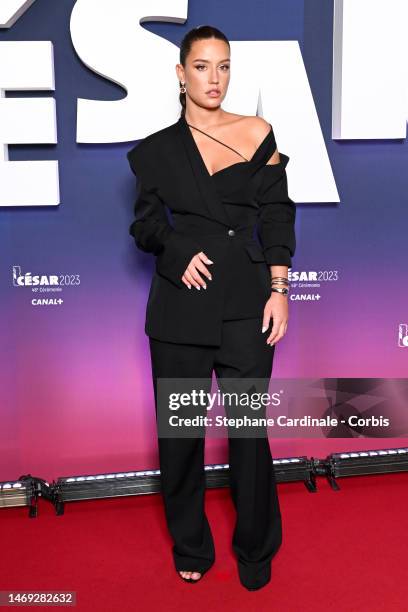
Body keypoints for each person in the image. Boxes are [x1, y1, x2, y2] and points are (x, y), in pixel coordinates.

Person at [127, 25, 296, 591]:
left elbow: (277, 215)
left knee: (249, 433)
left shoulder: (257, 132)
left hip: (249, 306)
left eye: (223, 66)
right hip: (181, 310)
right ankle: (191, 543)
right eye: (202, 67)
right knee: (181, 437)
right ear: (181, 74)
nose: (214, 78)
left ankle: (256, 545)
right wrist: (175, 252)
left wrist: (279, 289)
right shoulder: (156, 152)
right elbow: (146, 224)